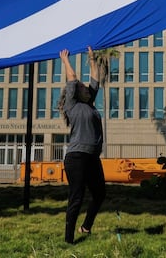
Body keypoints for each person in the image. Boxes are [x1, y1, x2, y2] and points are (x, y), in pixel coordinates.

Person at [59, 46, 105, 244]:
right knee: (77, 197)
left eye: (88, 89)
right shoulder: (72, 105)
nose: (87, 89)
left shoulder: (90, 103)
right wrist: (65, 60)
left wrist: (92, 59)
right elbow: (72, 78)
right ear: (76, 93)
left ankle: (86, 227)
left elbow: (95, 79)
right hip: (76, 157)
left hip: (92, 157)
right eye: (83, 88)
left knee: (99, 193)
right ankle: (69, 240)